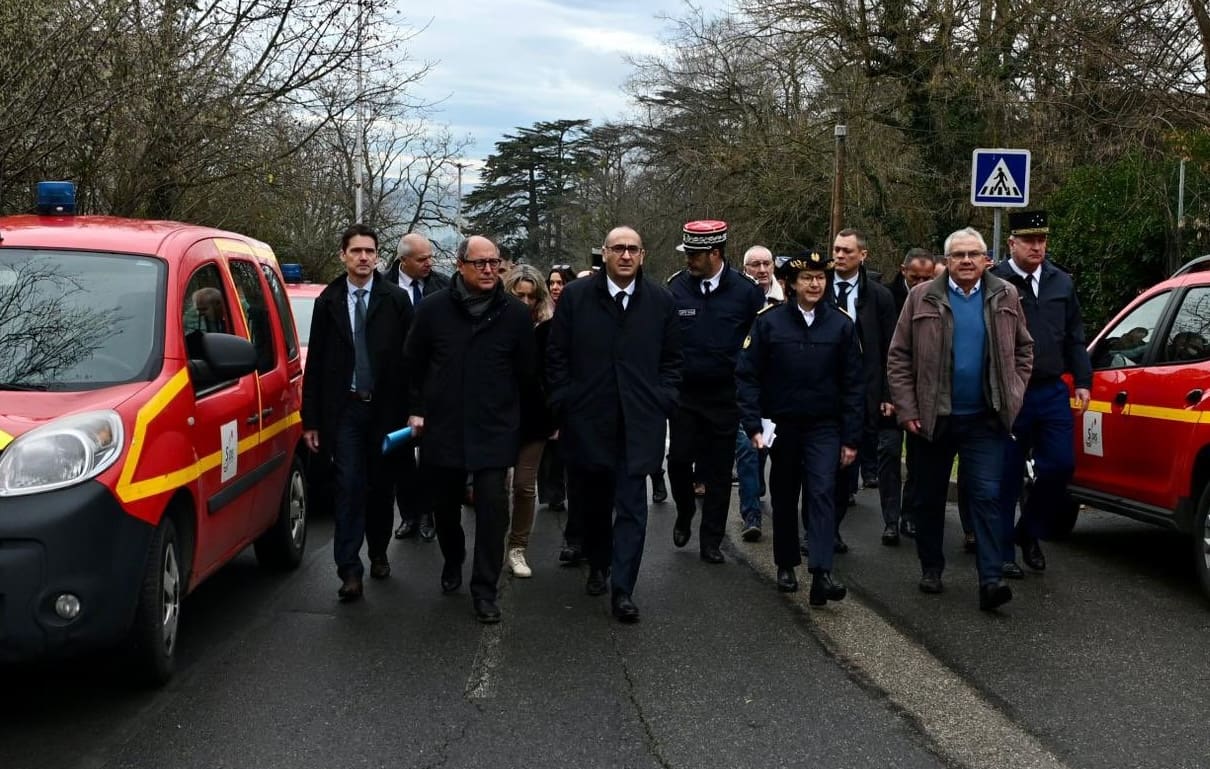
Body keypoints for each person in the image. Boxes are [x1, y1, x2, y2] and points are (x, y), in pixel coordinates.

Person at [887, 226, 1033, 611]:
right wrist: (908, 409)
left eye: (974, 255)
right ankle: (931, 567)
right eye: (958, 255)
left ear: (987, 259)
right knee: (929, 498)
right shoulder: (922, 297)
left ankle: (991, 579)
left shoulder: (1005, 294)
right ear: (946, 261)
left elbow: (1023, 349)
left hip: (986, 419)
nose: (966, 261)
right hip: (933, 419)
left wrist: (1013, 395)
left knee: (986, 496)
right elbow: (899, 356)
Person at [547, 226, 682, 623]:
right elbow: (557, 356)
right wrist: (564, 400)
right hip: (588, 420)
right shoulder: (576, 297)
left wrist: (663, 399)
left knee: (631, 507)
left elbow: (673, 360)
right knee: (592, 504)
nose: (625, 255)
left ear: (642, 255)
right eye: (618, 249)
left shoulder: (661, 301)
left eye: (633, 249)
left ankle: (623, 589)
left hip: (639, 422)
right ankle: (599, 563)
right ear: (604, 254)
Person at [405, 235, 536, 623]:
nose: (489, 270)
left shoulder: (513, 313)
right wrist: (416, 410)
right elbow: (412, 365)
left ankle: (484, 590)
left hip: (494, 428)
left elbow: (527, 374)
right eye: (480, 263)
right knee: (445, 507)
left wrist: (526, 425)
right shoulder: (432, 310)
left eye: (495, 262)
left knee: (493, 509)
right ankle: (453, 557)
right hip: (443, 427)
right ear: (460, 265)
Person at [736, 249, 863, 603]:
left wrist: (851, 437)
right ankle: (786, 563)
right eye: (807, 278)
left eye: (820, 277)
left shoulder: (840, 324)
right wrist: (753, 425)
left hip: (824, 425)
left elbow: (854, 384)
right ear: (791, 283)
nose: (814, 283)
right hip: (782, 424)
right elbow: (747, 376)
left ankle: (822, 571)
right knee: (785, 492)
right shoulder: (769, 322)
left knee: (822, 491)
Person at [301, 224, 412, 602]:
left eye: (369, 251)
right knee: (348, 486)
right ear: (343, 256)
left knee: (381, 487)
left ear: (378, 256)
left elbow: (412, 358)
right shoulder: (328, 301)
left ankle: (379, 550)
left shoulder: (395, 300)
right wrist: (311, 419)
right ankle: (349, 568)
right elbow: (315, 362)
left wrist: (416, 409)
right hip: (344, 409)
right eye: (356, 251)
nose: (363, 258)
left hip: (386, 411)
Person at [990, 211, 1091, 577]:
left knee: (1060, 465)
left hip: (1050, 389)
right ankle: (1002, 553)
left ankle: (1028, 531)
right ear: (1012, 243)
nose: (1037, 246)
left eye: (1042, 240)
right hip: (1010, 390)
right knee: (1007, 474)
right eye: (1029, 240)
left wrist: (1083, 380)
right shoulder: (994, 281)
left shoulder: (1060, 282)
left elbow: (1075, 335)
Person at [666, 220, 764, 563]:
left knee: (720, 471)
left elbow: (758, 343)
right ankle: (684, 512)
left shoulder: (746, 292)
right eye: (687, 253)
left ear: (715, 253)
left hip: (725, 396)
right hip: (685, 395)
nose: (689, 260)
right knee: (678, 460)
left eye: (694, 254)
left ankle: (711, 540)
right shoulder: (675, 289)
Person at [827, 228, 896, 552]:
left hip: (861, 394)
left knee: (845, 470)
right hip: (822, 391)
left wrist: (886, 394)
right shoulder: (819, 286)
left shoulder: (879, 296)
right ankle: (817, 530)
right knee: (818, 468)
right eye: (837, 249)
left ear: (863, 256)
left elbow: (889, 350)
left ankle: (833, 525)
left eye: (847, 251)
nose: (839, 255)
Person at [387, 232, 451, 543]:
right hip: (396, 383)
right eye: (422, 259)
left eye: (430, 257)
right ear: (403, 261)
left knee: (431, 453)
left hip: (434, 383)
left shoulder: (444, 285)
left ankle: (429, 512)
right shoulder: (384, 287)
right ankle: (409, 514)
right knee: (400, 455)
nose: (429, 263)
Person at [879, 248, 936, 544]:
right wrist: (886, 393)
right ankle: (890, 518)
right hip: (891, 390)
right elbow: (888, 350)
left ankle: (910, 513)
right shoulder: (886, 297)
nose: (921, 283)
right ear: (903, 271)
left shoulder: (937, 297)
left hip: (921, 393)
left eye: (927, 277)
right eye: (915, 277)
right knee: (889, 454)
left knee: (916, 459)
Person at [502, 265, 555, 579]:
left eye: (529, 296)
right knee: (495, 487)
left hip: (535, 416)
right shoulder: (496, 323)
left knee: (523, 485)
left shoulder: (548, 328)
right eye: (518, 295)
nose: (524, 302)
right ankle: (493, 542)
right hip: (500, 414)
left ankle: (517, 546)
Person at [732, 244, 785, 541]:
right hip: (747, 389)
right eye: (755, 265)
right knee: (749, 451)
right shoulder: (740, 299)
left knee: (779, 455)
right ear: (745, 269)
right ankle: (751, 514)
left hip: (780, 392)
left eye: (767, 264)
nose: (762, 270)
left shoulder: (786, 298)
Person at [539, 265, 577, 519]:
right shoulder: (542, 317)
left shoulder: (576, 314)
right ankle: (553, 493)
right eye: (551, 283)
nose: (555, 287)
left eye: (560, 283)